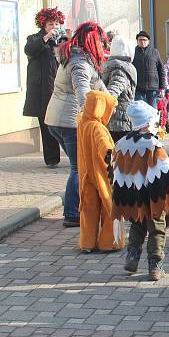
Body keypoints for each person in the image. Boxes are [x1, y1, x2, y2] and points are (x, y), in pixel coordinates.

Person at [112, 101, 169, 281]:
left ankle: (132, 256)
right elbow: (167, 172)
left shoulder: (121, 144)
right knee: (157, 229)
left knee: (137, 225)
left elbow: (114, 172)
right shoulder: (154, 146)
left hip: (133, 197)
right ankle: (155, 265)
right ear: (147, 123)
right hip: (154, 198)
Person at [45, 22, 108, 227]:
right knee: (78, 167)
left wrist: (114, 102)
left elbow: (98, 86)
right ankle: (72, 213)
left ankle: (75, 209)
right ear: (92, 41)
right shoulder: (79, 62)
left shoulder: (78, 57)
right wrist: (90, 115)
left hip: (59, 119)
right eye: (99, 41)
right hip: (68, 120)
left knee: (79, 166)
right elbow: (83, 91)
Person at [77, 91, 123, 252]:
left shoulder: (82, 122)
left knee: (88, 211)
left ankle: (87, 243)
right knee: (110, 208)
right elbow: (106, 148)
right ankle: (109, 242)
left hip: (85, 175)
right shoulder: (98, 128)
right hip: (102, 175)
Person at [24, 7, 64, 168]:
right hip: (42, 91)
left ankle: (70, 154)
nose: (53, 27)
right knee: (47, 125)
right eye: (50, 24)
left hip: (58, 89)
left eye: (55, 24)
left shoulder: (59, 41)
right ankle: (52, 158)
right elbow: (30, 50)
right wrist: (46, 37)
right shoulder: (34, 38)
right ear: (43, 25)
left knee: (63, 124)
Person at [102, 36, 137, 142]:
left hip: (116, 118)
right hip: (119, 121)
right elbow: (112, 92)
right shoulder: (120, 68)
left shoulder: (112, 65)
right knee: (121, 154)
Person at [132, 31, 165, 108]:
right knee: (139, 109)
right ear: (137, 41)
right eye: (140, 40)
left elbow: (161, 70)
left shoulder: (154, 52)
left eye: (144, 40)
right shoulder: (133, 52)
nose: (142, 42)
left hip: (152, 87)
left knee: (152, 110)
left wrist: (162, 87)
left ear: (148, 41)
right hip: (138, 87)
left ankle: (154, 120)